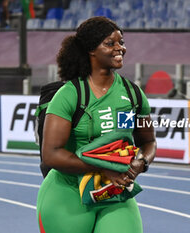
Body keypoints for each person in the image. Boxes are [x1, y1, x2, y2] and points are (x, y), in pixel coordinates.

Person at [36, 17, 156, 233]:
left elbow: (148, 141)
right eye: (110, 43)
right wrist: (103, 167)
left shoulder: (132, 94)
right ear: (91, 50)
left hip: (114, 193)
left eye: (121, 42)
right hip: (68, 193)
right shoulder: (70, 95)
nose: (120, 48)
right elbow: (51, 155)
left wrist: (141, 163)